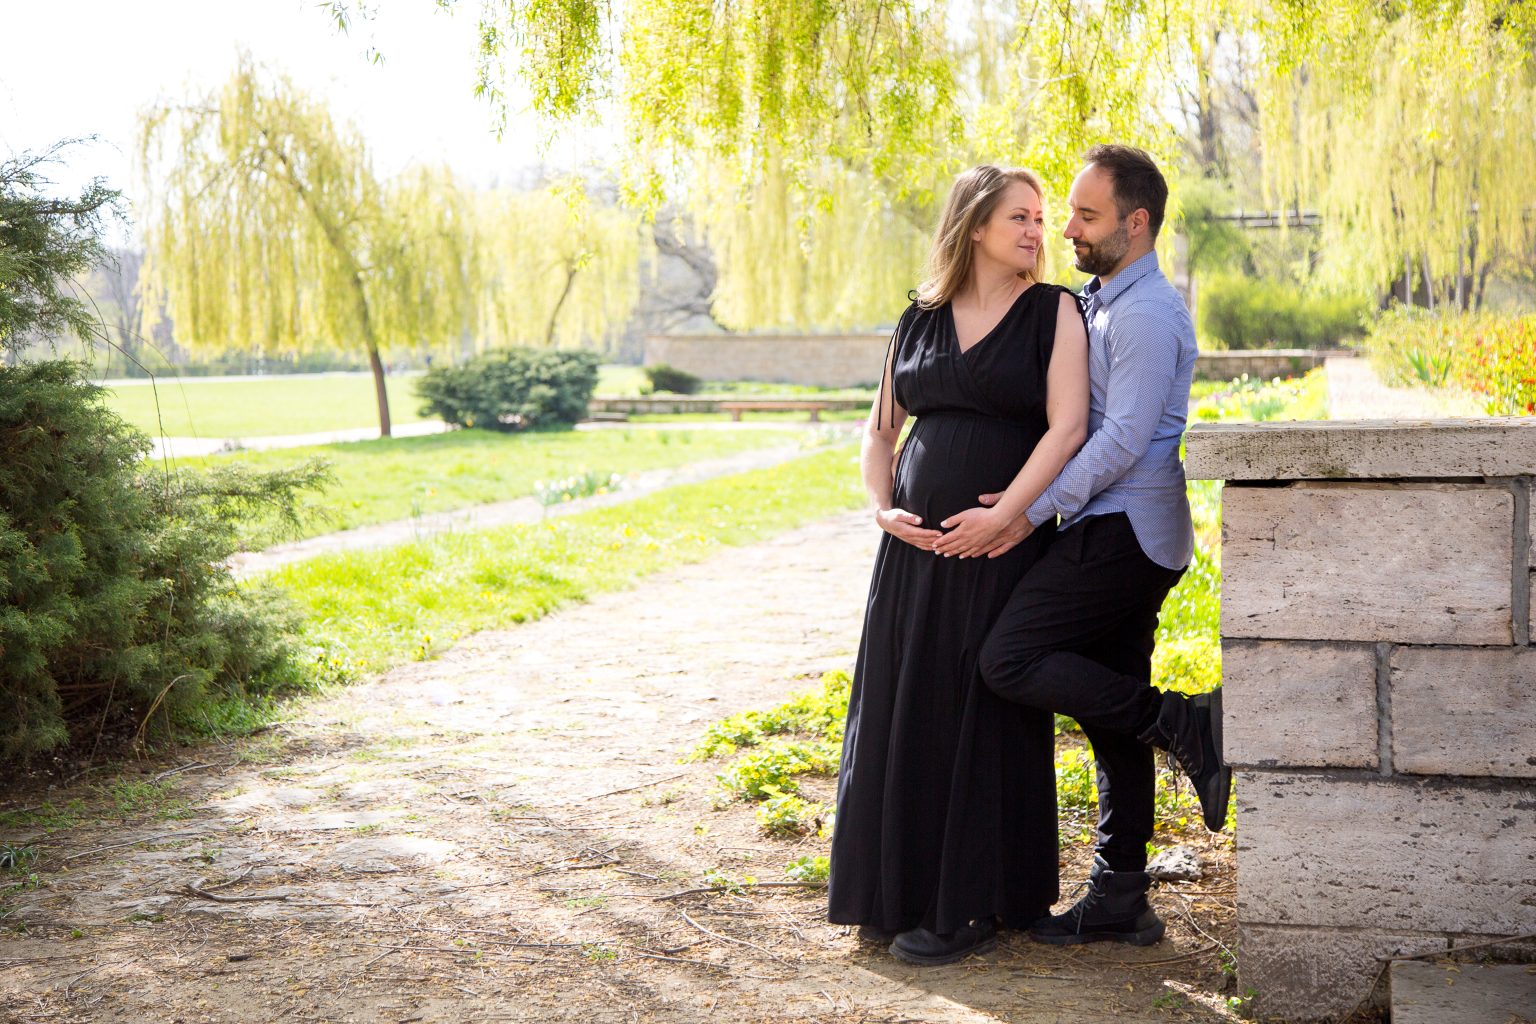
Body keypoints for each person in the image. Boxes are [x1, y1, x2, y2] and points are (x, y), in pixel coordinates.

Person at [935, 144, 1230, 948]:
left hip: (1124, 534)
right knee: (1109, 714)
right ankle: (1121, 893)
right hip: (1112, 529)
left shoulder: (1143, 314)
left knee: (1011, 659)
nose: (1066, 228)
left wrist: (1029, 513)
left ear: (1136, 224)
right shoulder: (1099, 299)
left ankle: (1183, 722)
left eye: (1085, 215)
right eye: (1063, 213)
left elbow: (1121, 443)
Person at [827, 165, 1090, 966]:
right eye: (1020, 216)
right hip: (912, 555)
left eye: (1041, 219)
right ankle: (894, 890)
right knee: (906, 710)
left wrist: (1005, 514)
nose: (1037, 231)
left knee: (976, 710)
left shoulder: (1055, 311)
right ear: (975, 225)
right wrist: (882, 510)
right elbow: (880, 432)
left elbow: (1069, 427)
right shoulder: (919, 317)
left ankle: (975, 903)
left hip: (999, 545)